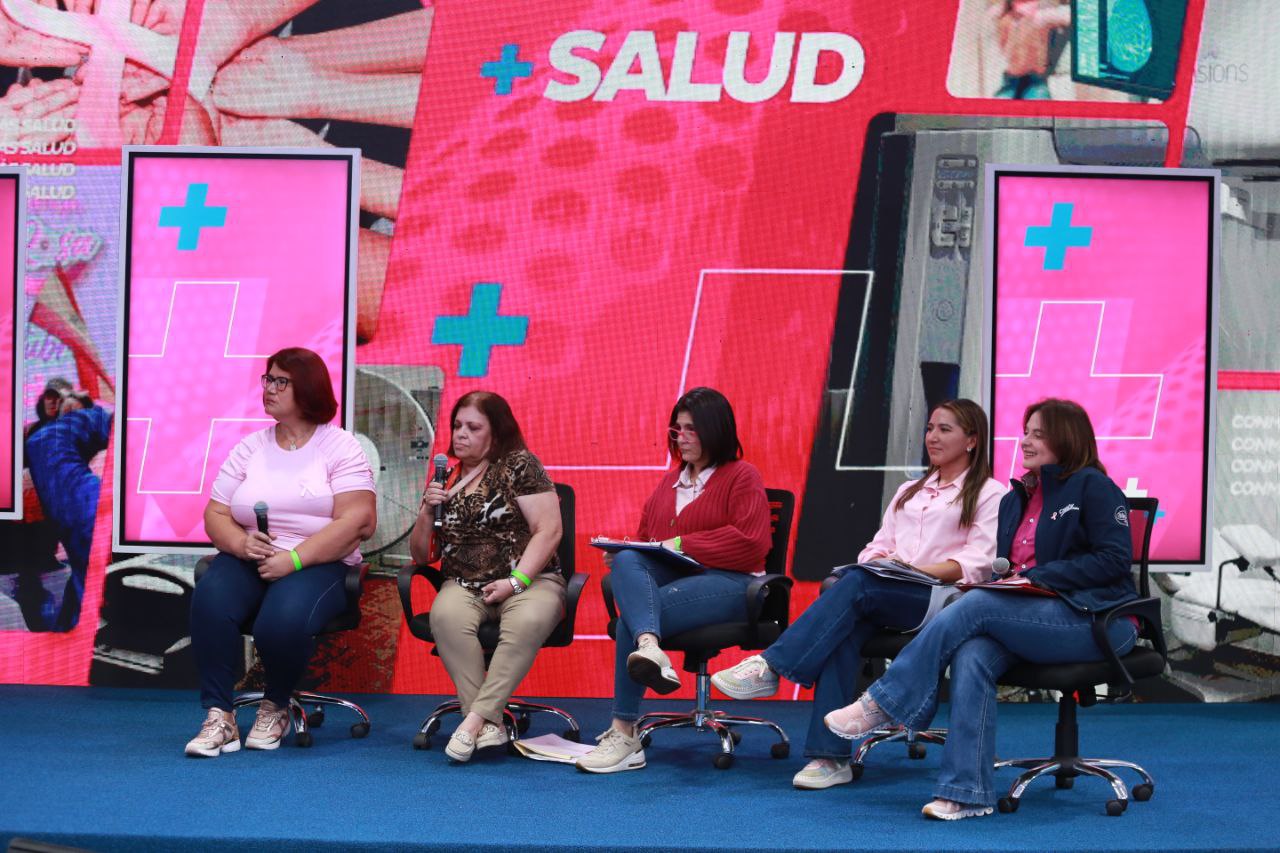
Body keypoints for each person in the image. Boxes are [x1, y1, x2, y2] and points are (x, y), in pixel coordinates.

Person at [824, 398, 1138, 820]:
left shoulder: (1092, 487)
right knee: (974, 652)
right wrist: (1008, 581)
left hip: (1096, 618)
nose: (1025, 441)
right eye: (1026, 431)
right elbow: (1004, 566)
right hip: (1035, 614)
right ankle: (966, 792)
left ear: (1067, 438)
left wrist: (1039, 578)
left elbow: (1114, 561)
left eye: (1038, 434)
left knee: (976, 605)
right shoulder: (1017, 498)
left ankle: (885, 701)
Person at [710, 399, 1006, 789]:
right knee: (845, 621)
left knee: (857, 586)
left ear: (972, 440)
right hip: (889, 590)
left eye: (945, 429)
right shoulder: (909, 490)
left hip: (942, 599)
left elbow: (980, 561)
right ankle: (830, 759)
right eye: (930, 427)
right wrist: (884, 562)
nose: (932, 436)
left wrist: (914, 570)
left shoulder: (989, 492)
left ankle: (771, 667)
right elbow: (875, 547)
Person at [185, 347, 376, 757]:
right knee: (211, 600)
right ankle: (219, 716)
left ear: (306, 389)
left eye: (280, 381)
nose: (269, 388)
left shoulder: (340, 446)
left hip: (318, 562)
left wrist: (293, 559)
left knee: (280, 622)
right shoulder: (250, 447)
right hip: (252, 555)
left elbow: (358, 521)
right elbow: (216, 512)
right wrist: (239, 542)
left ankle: (275, 706)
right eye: (267, 379)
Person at [574, 386, 772, 774]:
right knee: (629, 558)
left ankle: (625, 731)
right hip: (679, 584)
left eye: (691, 429)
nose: (681, 437)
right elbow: (650, 543)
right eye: (676, 429)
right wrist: (634, 551)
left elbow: (751, 543)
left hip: (733, 585)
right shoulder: (668, 485)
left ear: (715, 430)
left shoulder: (741, 476)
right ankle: (650, 647)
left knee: (634, 614)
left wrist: (679, 542)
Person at [409, 390, 564, 764]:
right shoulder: (446, 478)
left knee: (526, 620)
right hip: (463, 582)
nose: (460, 434)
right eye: (457, 425)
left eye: (473, 427)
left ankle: (473, 720)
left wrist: (516, 582)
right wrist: (427, 512)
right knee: (445, 616)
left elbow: (549, 530)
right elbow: (419, 555)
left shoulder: (519, 465)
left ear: (496, 433)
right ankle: (490, 725)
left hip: (529, 580)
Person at [24, 389, 111, 632]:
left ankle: (72, 629)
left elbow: (120, 426)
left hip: (85, 504)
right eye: (57, 400)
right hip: (66, 516)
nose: (63, 402)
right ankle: (67, 627)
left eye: (69, 398)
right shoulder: (39, 433)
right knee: (82, 572)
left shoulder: (90, 417)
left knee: (88, 572)